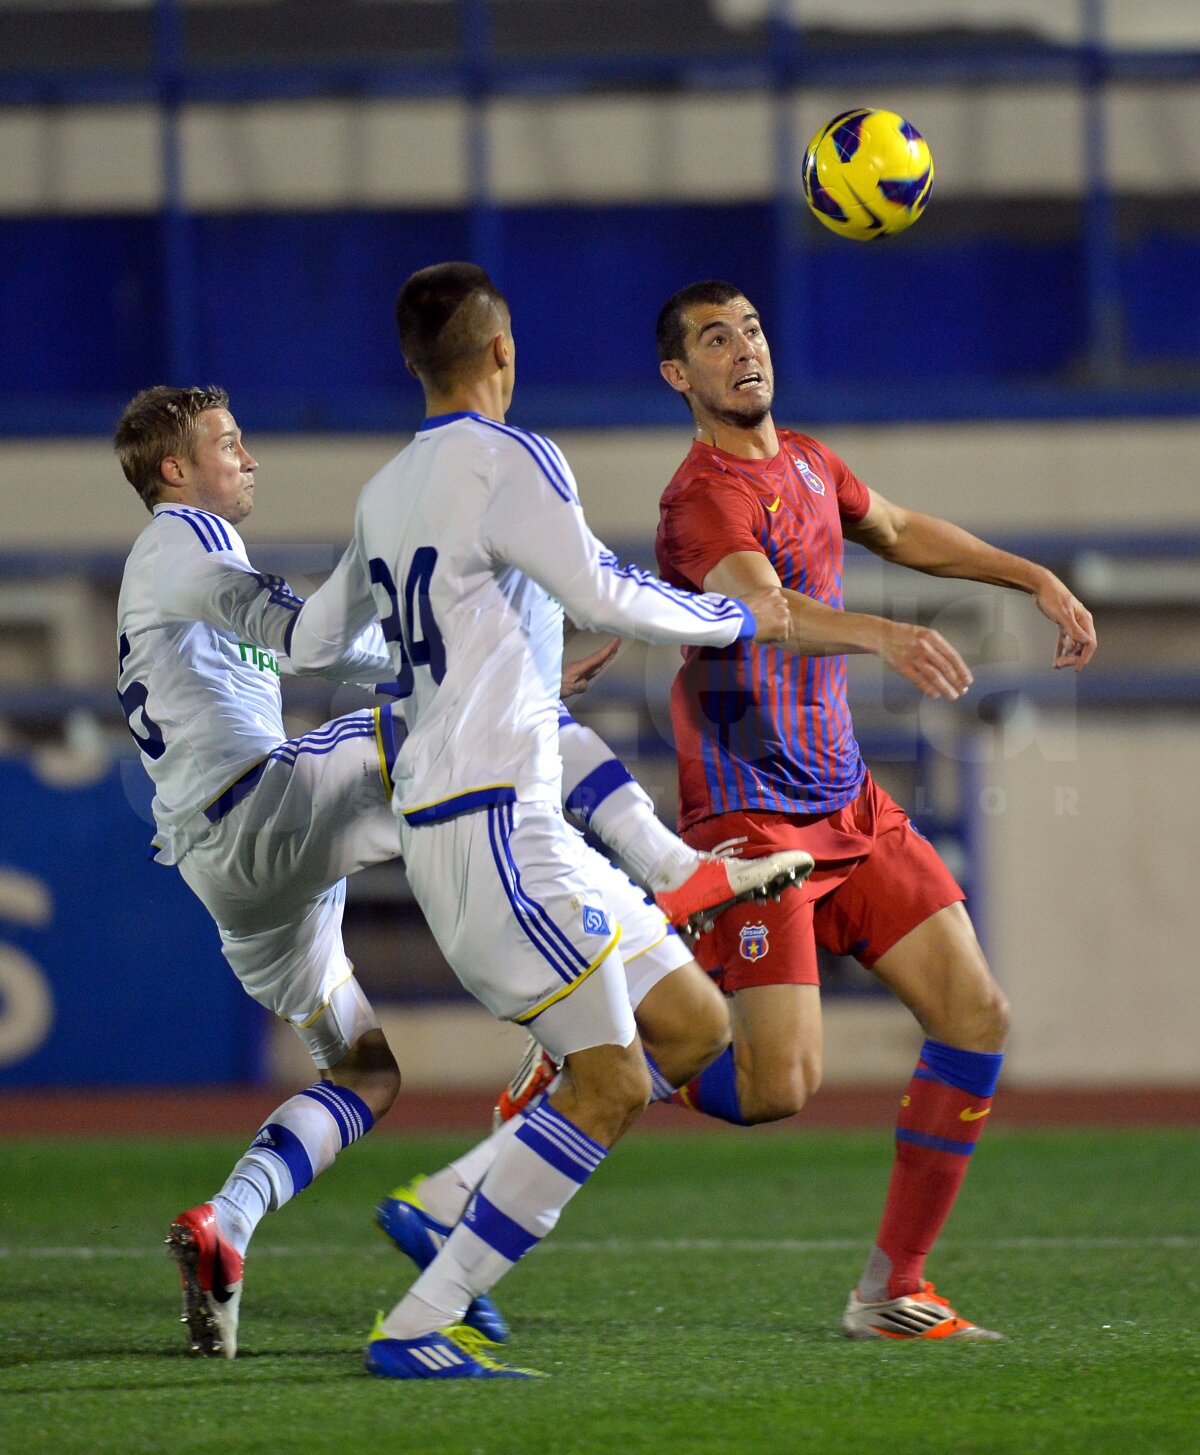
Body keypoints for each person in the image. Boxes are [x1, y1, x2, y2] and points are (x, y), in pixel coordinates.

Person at [112, 384, 810, 1364]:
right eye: (228, 444)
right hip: (261, 809)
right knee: (465, 732)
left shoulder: (176, 562)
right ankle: (669, 868)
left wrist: (487, 667)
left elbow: (340, 649)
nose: (249, 459)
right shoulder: (182, 540)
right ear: (174, 469)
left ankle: (230, 1221)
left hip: (236, 878)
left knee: (364, 1072)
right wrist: (490, 674)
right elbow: (307, 637)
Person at [287, 261, 813, 1381]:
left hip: (497, 818)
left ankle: (451, 1204)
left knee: (691, 1026)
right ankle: (424, 1320)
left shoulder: (386, 490)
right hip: (491, 831)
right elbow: (606, 593)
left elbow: (310, 645)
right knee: (615, 1081)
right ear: (502, 355)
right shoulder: (515, 457)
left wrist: (493, 676)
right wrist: (733, 615)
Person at [648, 278, 1098, 1340]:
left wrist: (1026, 575)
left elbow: (894, 527)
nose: (743, 349)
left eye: (752, 329)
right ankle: (623, 1049)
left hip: (845, 803)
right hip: (753, 818)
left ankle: (894, 1286)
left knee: (976, 1017)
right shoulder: (699, 497)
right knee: (776, 1089)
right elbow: (763, 608)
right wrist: (885, 636)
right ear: (680, 376)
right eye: (715, 340)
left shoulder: (807, 460)